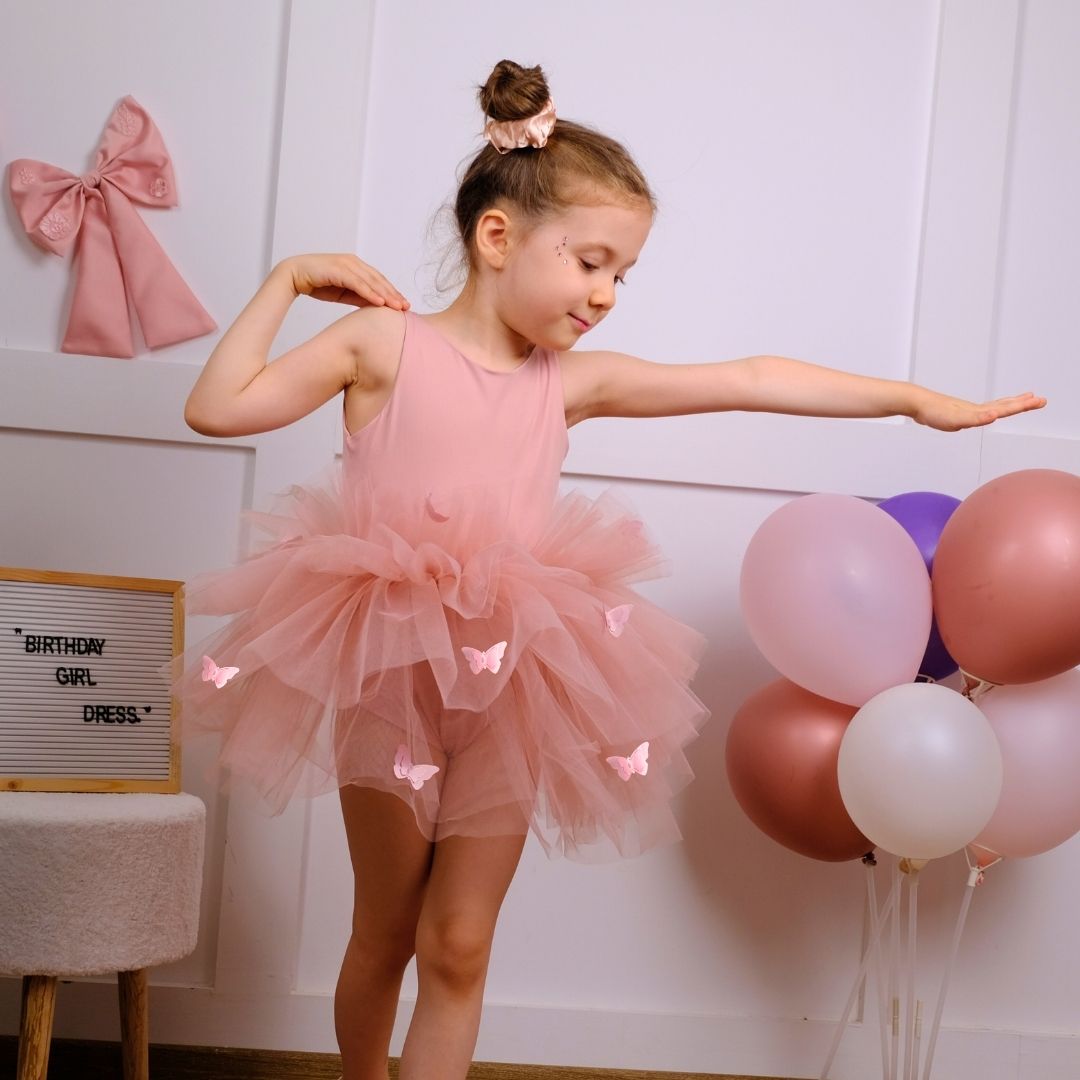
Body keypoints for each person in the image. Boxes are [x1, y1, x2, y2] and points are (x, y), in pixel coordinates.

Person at [172, 59, 1045, 1080]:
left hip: (517, 681)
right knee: (389, 931)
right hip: (388, 671)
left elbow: (749, 378)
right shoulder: (380, 346)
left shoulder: (571, 385)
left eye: (623, 273)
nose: (607, 294)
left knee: (460, 942)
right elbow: (216, 410)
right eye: (591, 262)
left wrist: (912, 400)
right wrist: (284, 283)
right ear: (499, 239)